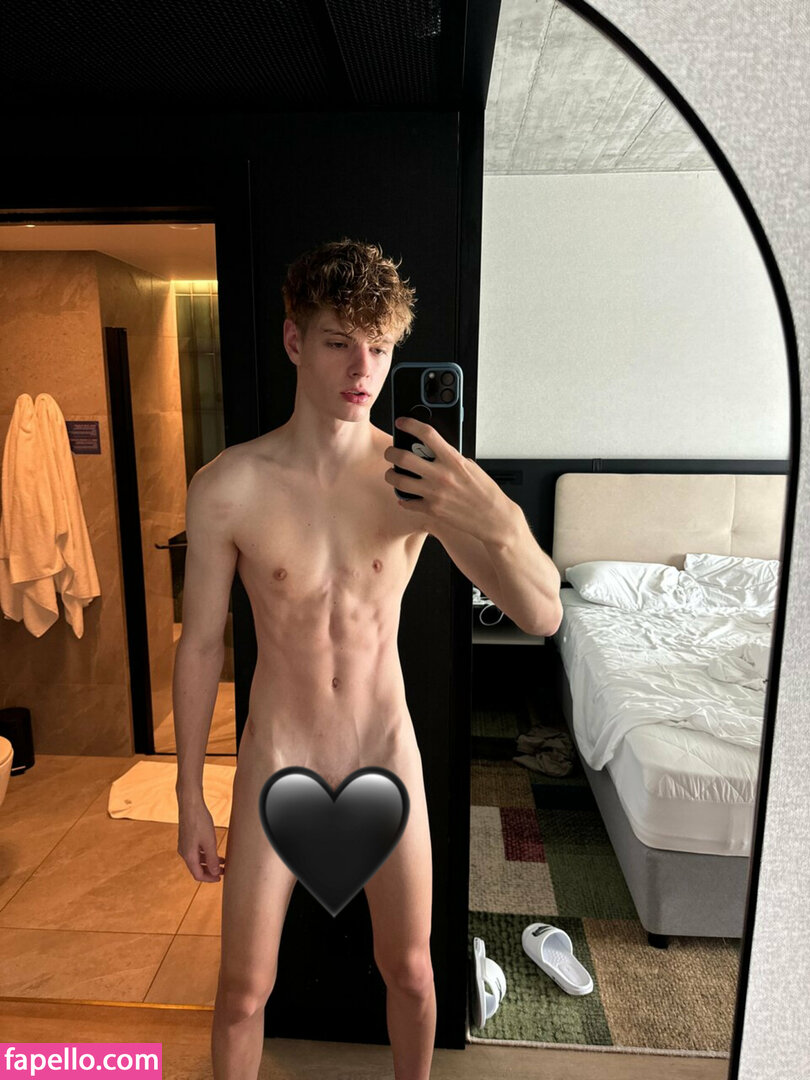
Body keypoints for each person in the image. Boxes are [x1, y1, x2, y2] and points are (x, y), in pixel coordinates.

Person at [173, 238, 563, 1080]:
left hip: (384, 754)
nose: (364, 369)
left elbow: (543, 611)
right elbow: (200, 643)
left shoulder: (415, 483)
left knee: (414, 971)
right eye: (339, 342)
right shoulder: (228, 486)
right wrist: (189, 794)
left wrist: (492, 509)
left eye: (380, 348)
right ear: (293, 341)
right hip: (278, 758)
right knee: (241, 991)